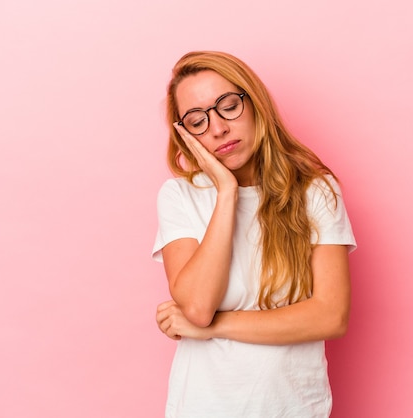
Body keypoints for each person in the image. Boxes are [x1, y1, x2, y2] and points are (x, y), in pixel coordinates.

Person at [152, 50, 356, 418]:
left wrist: (216, 326)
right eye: (197, 120)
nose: (218, 128)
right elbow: (198, 308)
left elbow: (330, 316)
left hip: (293, 408)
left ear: (254, 102)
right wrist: (227, 192)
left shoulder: (316, 191)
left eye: (228, 105)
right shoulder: (179, 197)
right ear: (184, 135)